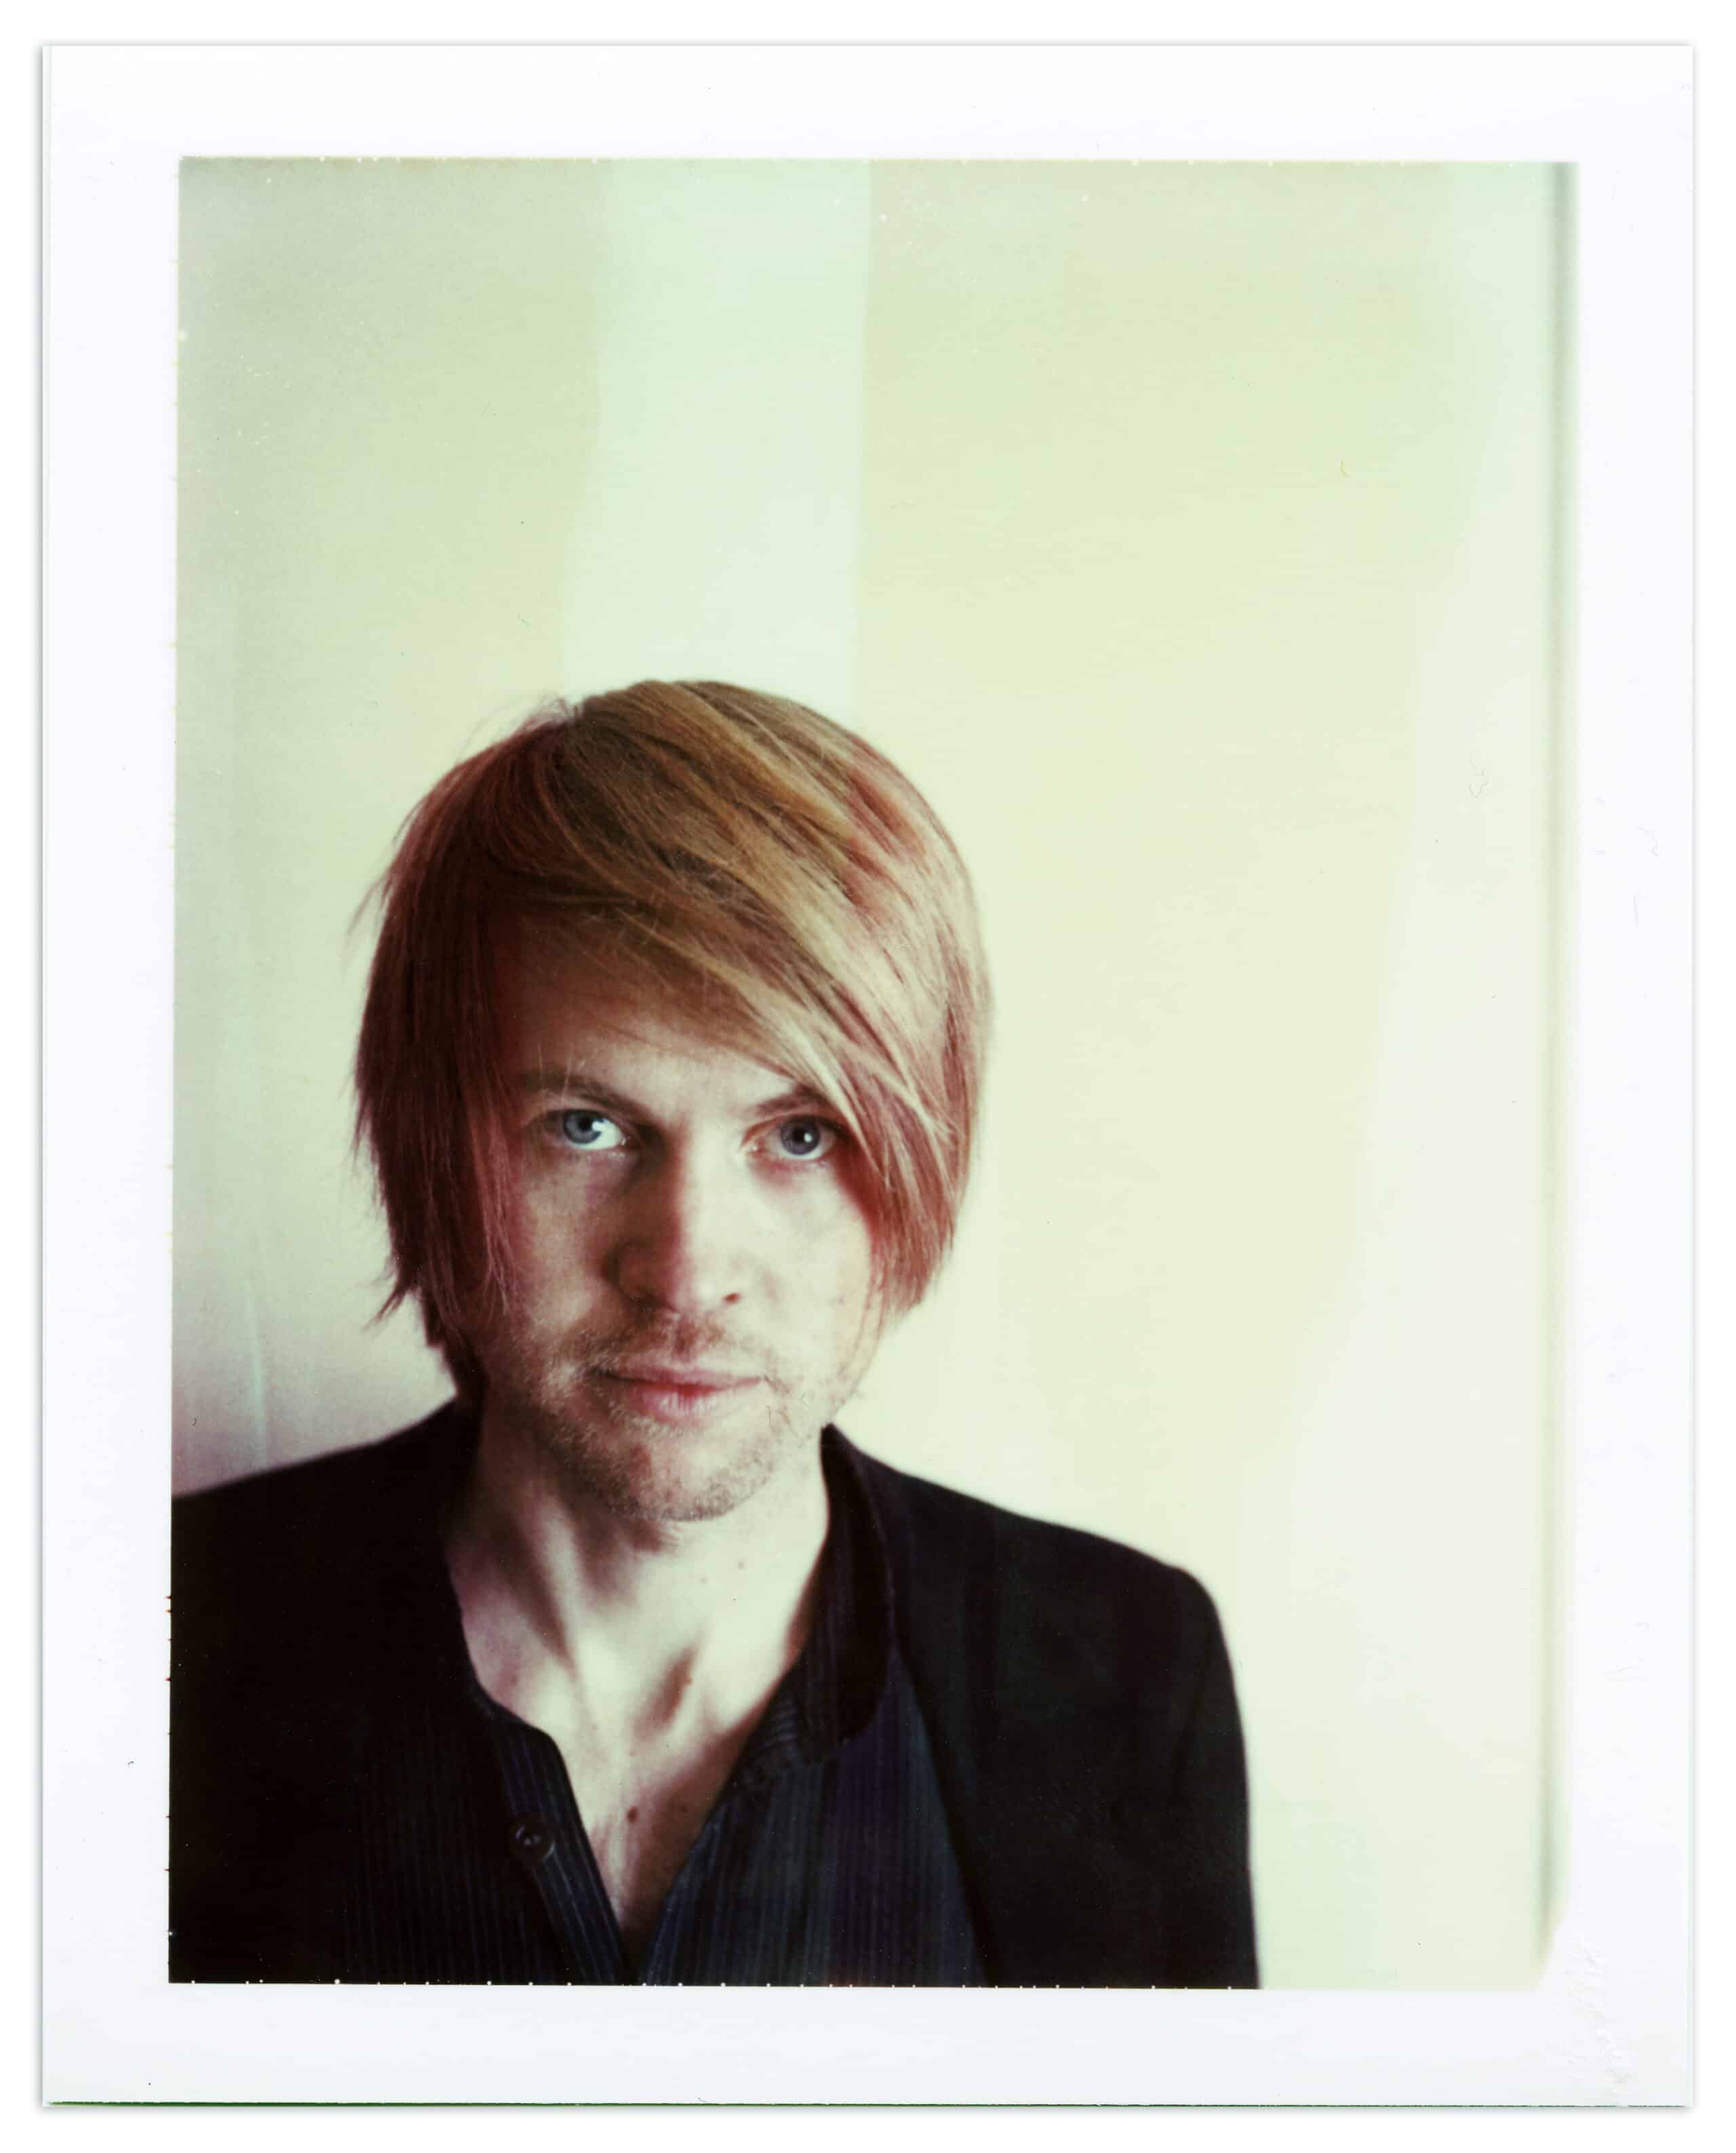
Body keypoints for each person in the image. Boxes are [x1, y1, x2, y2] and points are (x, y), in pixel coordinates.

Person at [170, 679, 1257, 1988]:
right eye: (586, 1127)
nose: (688, 1274)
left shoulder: (1125, 1675)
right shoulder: (155, 1635)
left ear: (929, 1156)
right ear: (430, 1156)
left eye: (800, 1135)